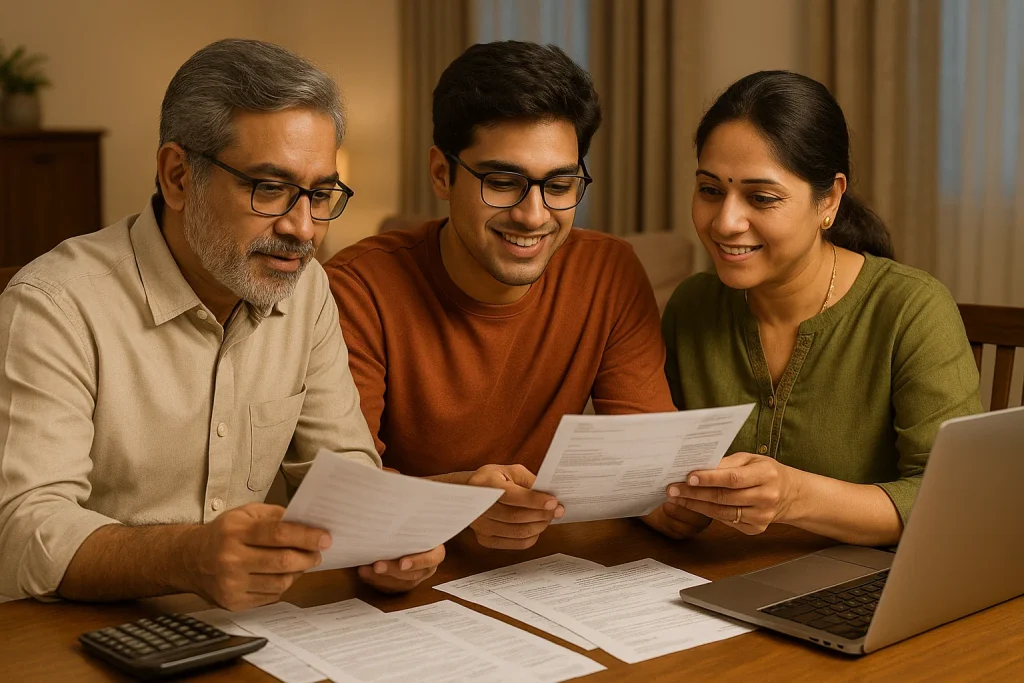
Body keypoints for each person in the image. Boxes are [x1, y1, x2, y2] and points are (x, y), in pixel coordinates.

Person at [0, 39, 442, 607]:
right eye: (270, 188)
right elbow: (21, 533)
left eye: (322, 194)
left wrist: (385, 536)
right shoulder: (53, 306)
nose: (304, 229)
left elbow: (340, 467)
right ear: (178, 176)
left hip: (262, 631)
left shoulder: (307, 290)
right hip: (84, 635)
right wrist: (188, 557)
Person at [324, 40, 693, 550]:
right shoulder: (357, 287)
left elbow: (645, 474)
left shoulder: (609, 271)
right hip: (406, 570)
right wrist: (460, 499)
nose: (533, 215)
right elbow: (341, 496)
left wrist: (690, 497)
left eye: (560, 185)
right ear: (440, 174)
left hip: (547, 573)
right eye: (502, 181)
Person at [661, 70, 982, 546]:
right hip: (708, 585)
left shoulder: (910, 309)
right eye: (710, 190)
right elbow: (659, 474)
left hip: (865, 595)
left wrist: (795, 496)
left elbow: (954, 498)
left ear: (828, 199)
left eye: (761, 198)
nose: (725, 222)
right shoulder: (692, 306)